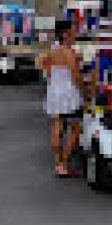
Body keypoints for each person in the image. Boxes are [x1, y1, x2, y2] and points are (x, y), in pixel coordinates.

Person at [37, 20, 85, 176]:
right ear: (65, 34)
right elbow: (76, 76)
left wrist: (50, 73)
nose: (75, 34)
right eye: (73, 31)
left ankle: (58, 163)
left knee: (57, 127)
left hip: (54, 92)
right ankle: (64, 162)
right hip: (68, 93)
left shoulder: (52, 50)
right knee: (76, 128)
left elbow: (40, 62)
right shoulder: (68, 52)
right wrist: (85, 90)